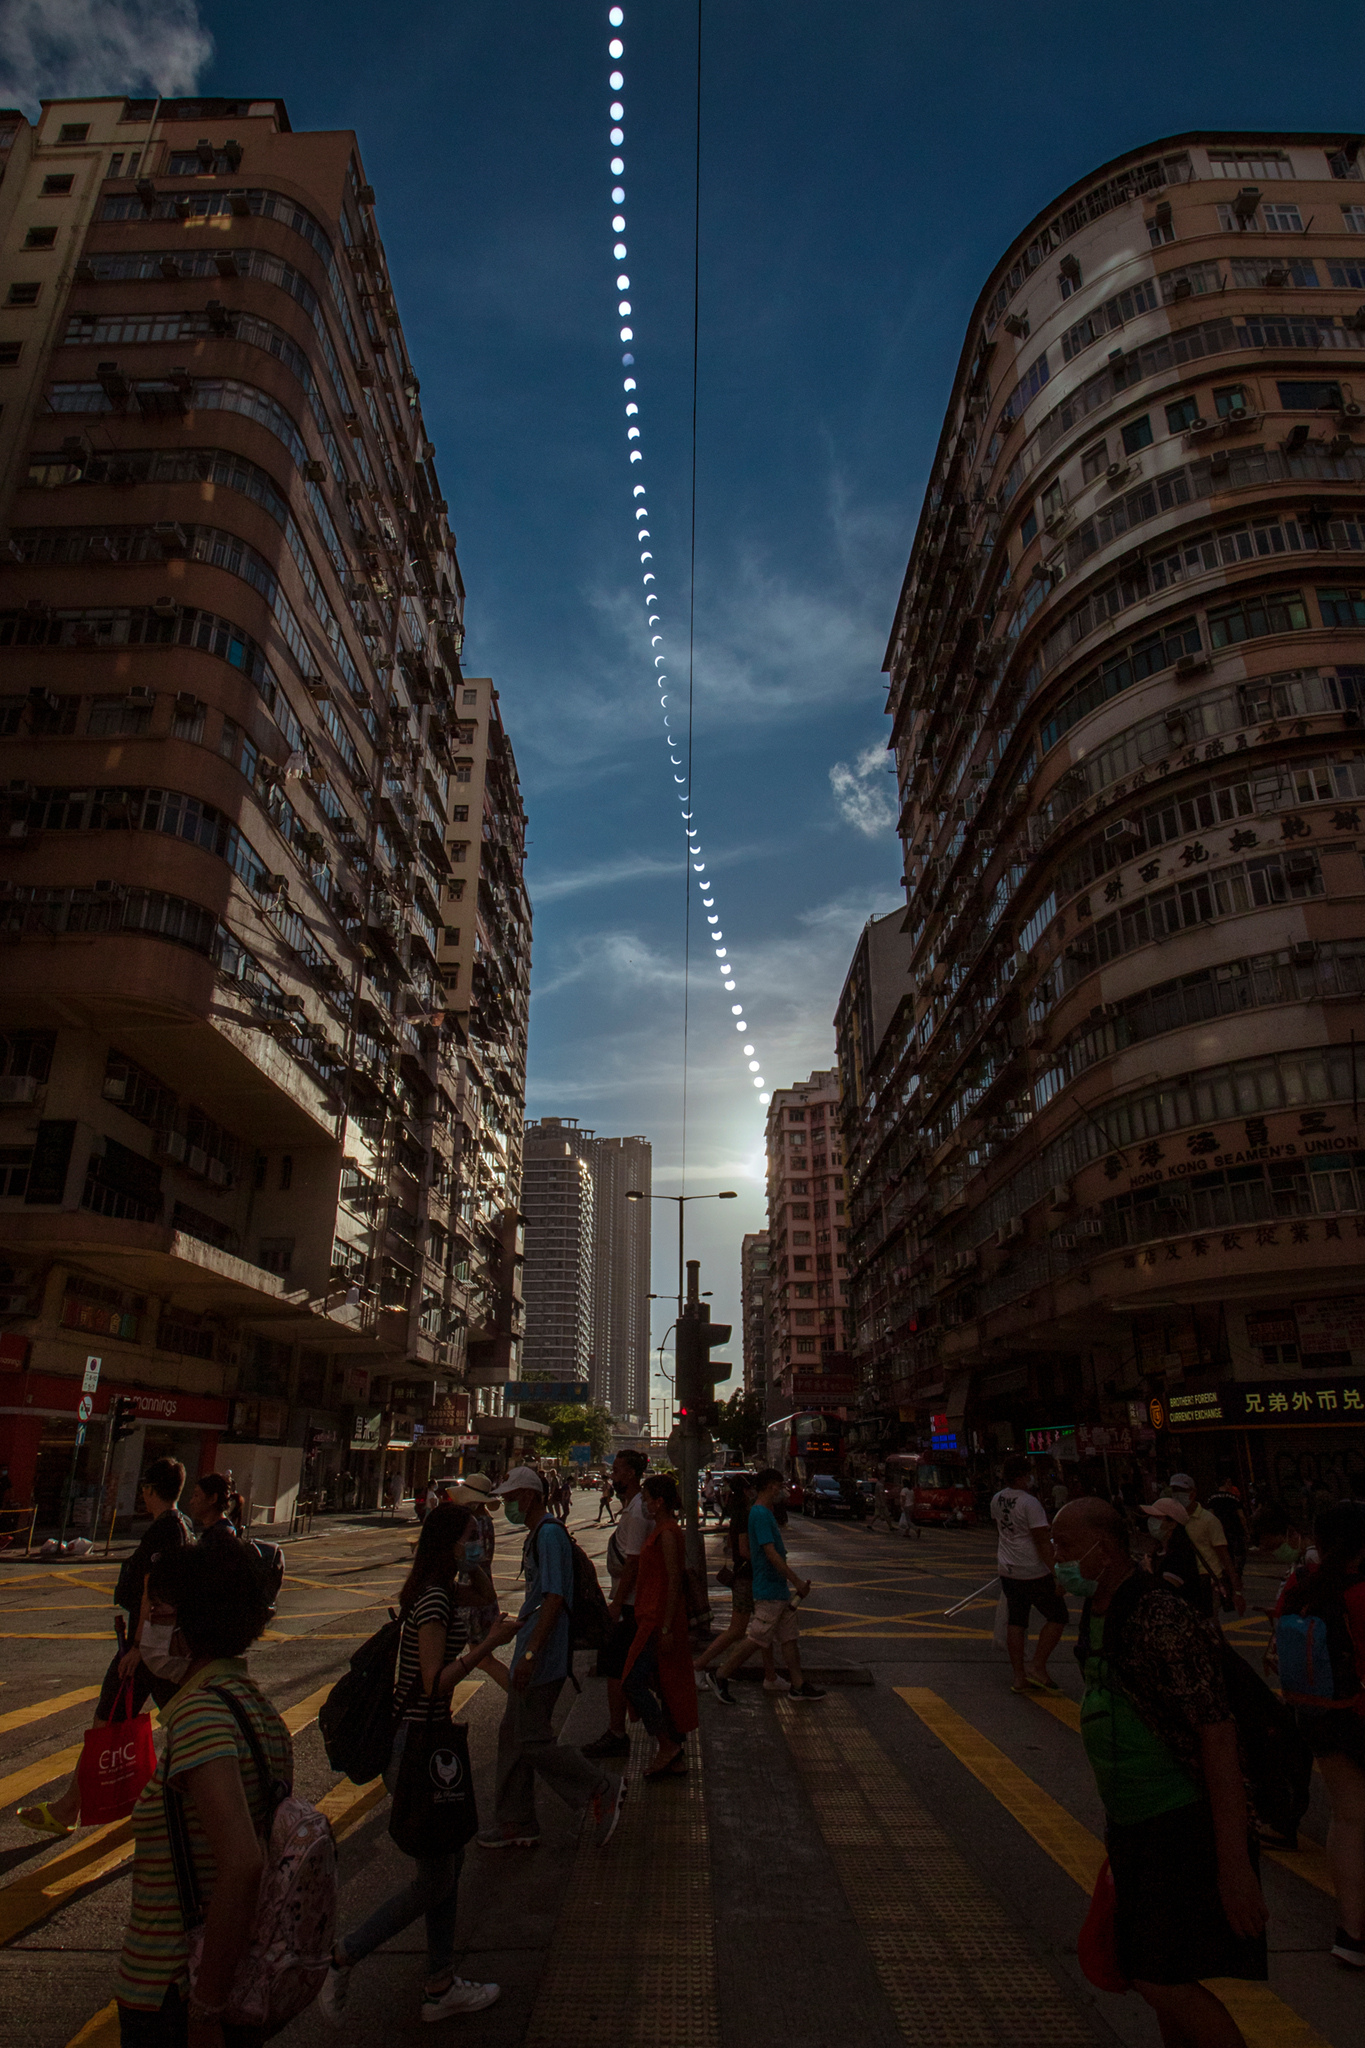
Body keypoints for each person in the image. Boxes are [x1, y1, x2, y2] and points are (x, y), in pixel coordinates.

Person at [1053, 1496, 1268, 2047]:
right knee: (1160, 1972)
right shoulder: (1099, 1608)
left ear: (1105, 1549)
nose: (1057, 1558)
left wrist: (1234, 1865)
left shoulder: (1156, 1614)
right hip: (1134, 1826)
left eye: (1066, 1547)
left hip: (1180, 1822)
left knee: (1158, 1977)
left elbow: (1217, 1737)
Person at [321, 1503, 518, 2023]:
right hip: (416, 1743)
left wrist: (475, 1562)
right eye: (473, 1537)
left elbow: (487, 1602)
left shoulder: (442, 1588)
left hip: (430, 1740)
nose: (482, 1542)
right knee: (435, 1876)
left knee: (447, 1863)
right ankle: (344, 1956)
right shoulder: (433, 1599)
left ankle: (439, 1982)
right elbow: (434, 1679)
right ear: (447, 1542)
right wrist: (488, 1647)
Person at [111, 1538, 292, 2047]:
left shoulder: (200, 1718)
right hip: (224, 1978)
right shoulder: (253, 1707)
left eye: (158, 1612)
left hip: (172, 1992)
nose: (146, 1625)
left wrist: (206, 2007)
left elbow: (243, 1862)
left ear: (190, 1627)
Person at [18, 1457, 191, 1837]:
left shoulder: (164, 1530)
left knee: (107, 1725)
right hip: (159, 1650)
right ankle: (173, 1805)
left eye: (144, 1490)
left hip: (145, 1650)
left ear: (149, 1490)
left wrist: (136, 1647)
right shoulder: (181, 1527)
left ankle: (69, 1810)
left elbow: (151, 1590)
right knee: (184, 1726)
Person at [479, 1467, 626, 1851]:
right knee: (512, 1738)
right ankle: (516, 1821)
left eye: (511, 1498)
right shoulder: (537, 1535)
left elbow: (555, 1598)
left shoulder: (548, 1535)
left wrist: (530, 1654)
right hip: (533, 1650)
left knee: (532, 1741)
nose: (507, 1504)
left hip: (543, 1657)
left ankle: (600, 1786)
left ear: (529, 1496)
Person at [1272, 1500, 1365, 1967]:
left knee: (1349, 1817)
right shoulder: (1359, 1590)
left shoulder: (1299, 1584)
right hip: (1360, 1712)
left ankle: (1351, 1934)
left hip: (1318, 1717)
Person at [705, 1470, 826, 1704]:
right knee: (757, 1638)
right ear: (770, 1486)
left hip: (778, 1589)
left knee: (789, 1638)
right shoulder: (760, 1513)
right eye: (780, 1486)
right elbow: (770, 1552)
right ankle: (720, 1674)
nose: (783, 1491)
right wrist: (797, 1581)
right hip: (768, 1588)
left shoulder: (764, 1512)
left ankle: (798, 1685)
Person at [622, 1474, 699, 1777]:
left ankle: (666, 1743)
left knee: (633, 1681)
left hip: (658, 1620)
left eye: (647, 1498)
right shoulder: (661, 1530)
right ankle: (674, 1755)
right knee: (665, 1682)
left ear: (660, 1501)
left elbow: (673, 1581)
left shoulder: (667, 1533)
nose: (644, 1504)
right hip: (653, 1618)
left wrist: (666, 1627)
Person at [582, 1450, 650, 1761]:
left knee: (616, 1669)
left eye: (619, 1470)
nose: (614, 1475)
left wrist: (617, 1603)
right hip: (630, 1604)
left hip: (629, 1606)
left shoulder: (637, 1513)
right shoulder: (633, 1509)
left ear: (633, 1475)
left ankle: (618, 1732)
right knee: (627, 1670)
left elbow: (634, 1563)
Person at [695, 1477, 783, 1689]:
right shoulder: (745, 1514)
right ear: (747, 1491)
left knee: (764, 1629)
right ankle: (698, 1665)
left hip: (749, 1576)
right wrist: (768, 1559)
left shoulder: (740, 1512)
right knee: (737, 1630)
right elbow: (743, 1550)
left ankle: (770, 1676)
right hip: (747, 1578)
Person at [990, 1454, 1067, 1695]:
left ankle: (1019, 1677)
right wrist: (1057, 1572)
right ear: (1023, 1476)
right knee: (1058, 1616)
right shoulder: (1030, 1503)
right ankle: (1037, 1665)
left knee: (1017, 1621)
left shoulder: (996, 1499)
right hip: (1032, 1570)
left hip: (1008, 1568)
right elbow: (1043, 1542)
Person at [1144, 1496, 1211, 1618]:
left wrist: (1148, 1572)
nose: (1151, 1521)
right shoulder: (1159, 1551)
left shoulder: (1180, 1555)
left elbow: (1165, 1590)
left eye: (1157, 1517)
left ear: (1172, 1524)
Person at [189, 1472, 239, 1552]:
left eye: (196, 1495)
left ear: (213, 1499)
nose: (191, 1501)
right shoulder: (217, 1532)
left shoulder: (219, 1538)